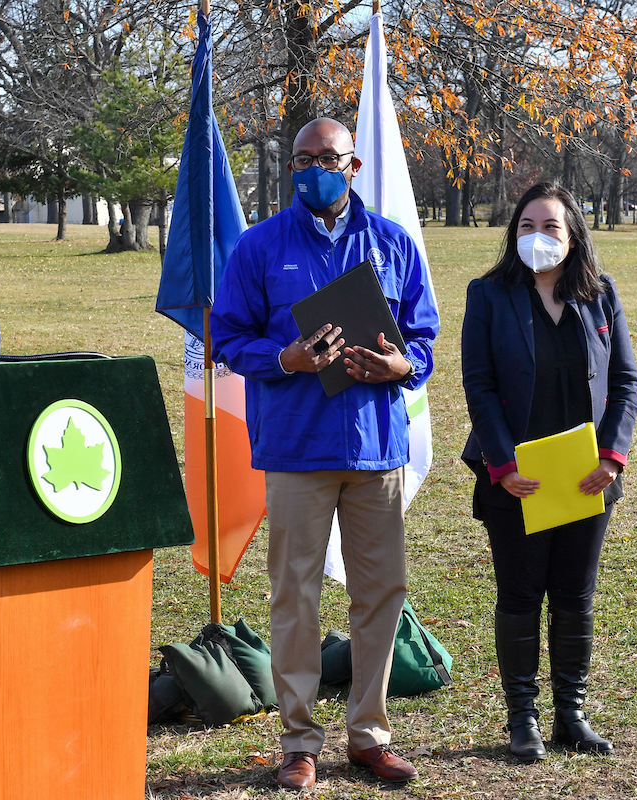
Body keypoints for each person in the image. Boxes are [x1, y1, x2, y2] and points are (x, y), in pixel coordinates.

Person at [210, 118, 439, 790]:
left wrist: (399, 365)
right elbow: (227, 336)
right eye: (303, 159)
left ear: (354, 165)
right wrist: (283, 357)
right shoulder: (259, 247)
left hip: (375, 450)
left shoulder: (392, 245)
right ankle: (299, 742)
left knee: (379, 594)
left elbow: (423, 342)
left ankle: (369, 736)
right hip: (295, 448)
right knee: (296, 597)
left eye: (328, 159)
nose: (315, 169)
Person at [460, 182, 637, 761]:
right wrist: (503, 464)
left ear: (574, 234)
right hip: (517, 478)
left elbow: (624, 383)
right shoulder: (488, 295)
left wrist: (612, 457)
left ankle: (571, 714)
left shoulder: (601, 294)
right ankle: (522, 719)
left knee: (574, 596)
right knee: (519, 595)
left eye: (551, 226)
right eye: (526, 226)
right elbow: (479, 386)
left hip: (587, 477)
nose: (538, 236)